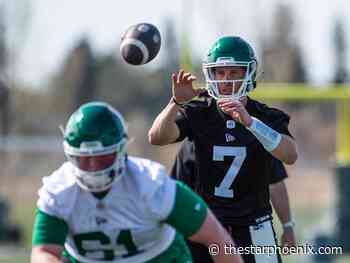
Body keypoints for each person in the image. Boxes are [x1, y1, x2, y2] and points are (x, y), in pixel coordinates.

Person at [31, 102, 243, 263]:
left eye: (102, 157)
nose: (94, 167)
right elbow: (44, 252)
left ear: (121, 150)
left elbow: (217, 239)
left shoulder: (151, 184)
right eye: (85, 159)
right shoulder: (59, 190)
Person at [148, 36, 298, 263]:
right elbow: (156, 137)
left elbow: (290, 155)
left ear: (248, 74)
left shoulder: (265, 117)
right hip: (206, 222)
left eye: (234, 73)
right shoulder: (199, 112)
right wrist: (174, 102)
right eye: (220, 73)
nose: (226, 80)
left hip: (255, 224)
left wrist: (250, 123)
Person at [170, 138, 296, 262]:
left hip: (208, 228)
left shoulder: (194, 140)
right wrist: (287, 226)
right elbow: (275, 184)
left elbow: (177, 195)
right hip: (254, 228)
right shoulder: (257, 135)